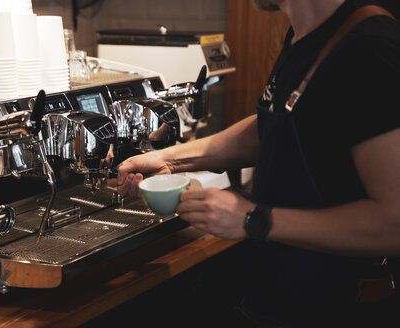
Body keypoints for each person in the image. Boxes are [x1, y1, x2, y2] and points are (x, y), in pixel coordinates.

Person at [107, 0, 400, 326]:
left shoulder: (369, 48)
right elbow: (274, 127)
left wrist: (252, 219)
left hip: (338, 309)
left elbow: (393, 222)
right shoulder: (303, 36)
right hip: (281, 299)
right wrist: (169, 159)